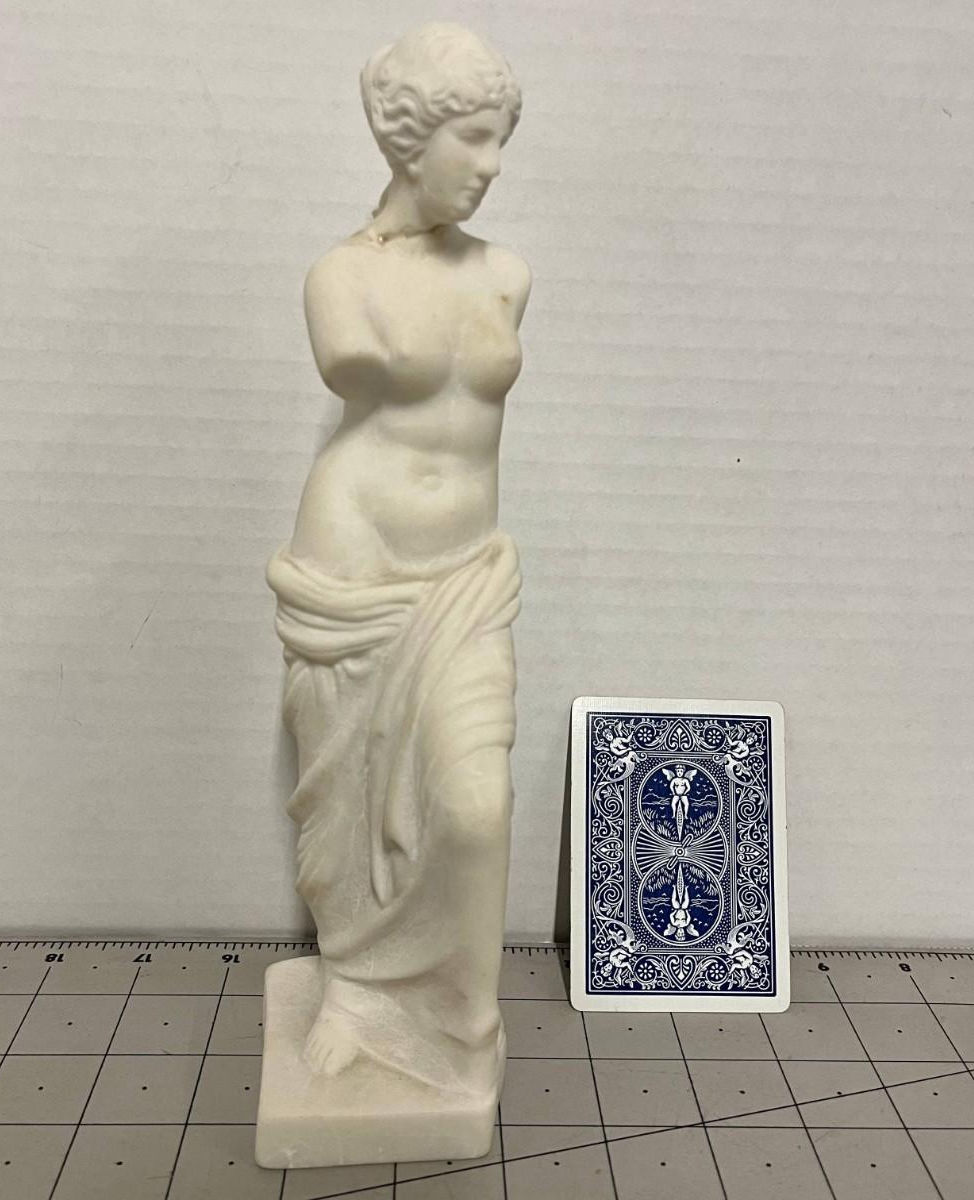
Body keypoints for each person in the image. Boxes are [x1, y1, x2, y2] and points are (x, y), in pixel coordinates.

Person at [266, 23, 530, 1099]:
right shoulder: (340, 277)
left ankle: (461, 1020)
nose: (493, 164)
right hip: (355, 572)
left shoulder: (508, 274)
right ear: (411, 138)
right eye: (475, 137)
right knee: (350, 813)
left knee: (473, 806)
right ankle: (357, 990)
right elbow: (351, 368)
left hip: (465, 581)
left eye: (502, 139)